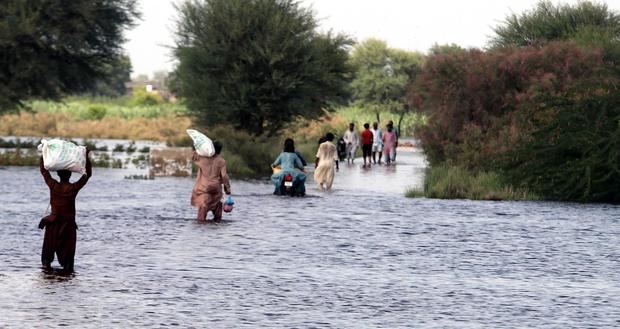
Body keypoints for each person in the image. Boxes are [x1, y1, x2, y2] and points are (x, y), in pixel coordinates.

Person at [39, 149, 92, 272]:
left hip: (53, 224)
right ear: (70, 175)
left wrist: (44, 153)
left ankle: (48, 278)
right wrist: (86, 157)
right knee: (68, 261)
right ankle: (67, 282)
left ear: (58, 174)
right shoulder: (73, 188)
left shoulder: (53, 186)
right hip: (68, 226)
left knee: (47, 259)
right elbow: (87, 175)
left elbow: (43, 171)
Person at [191, 140, 231, 221]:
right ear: (220, 150)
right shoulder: (221, 161)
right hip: (216, 187)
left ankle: (202, 222)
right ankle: (217, 221)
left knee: (202, 212)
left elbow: (193, 155)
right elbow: (224, 176)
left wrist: (200, 148)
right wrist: (227, 188)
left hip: (204, 187)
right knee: (218, 207)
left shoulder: (202, 159)